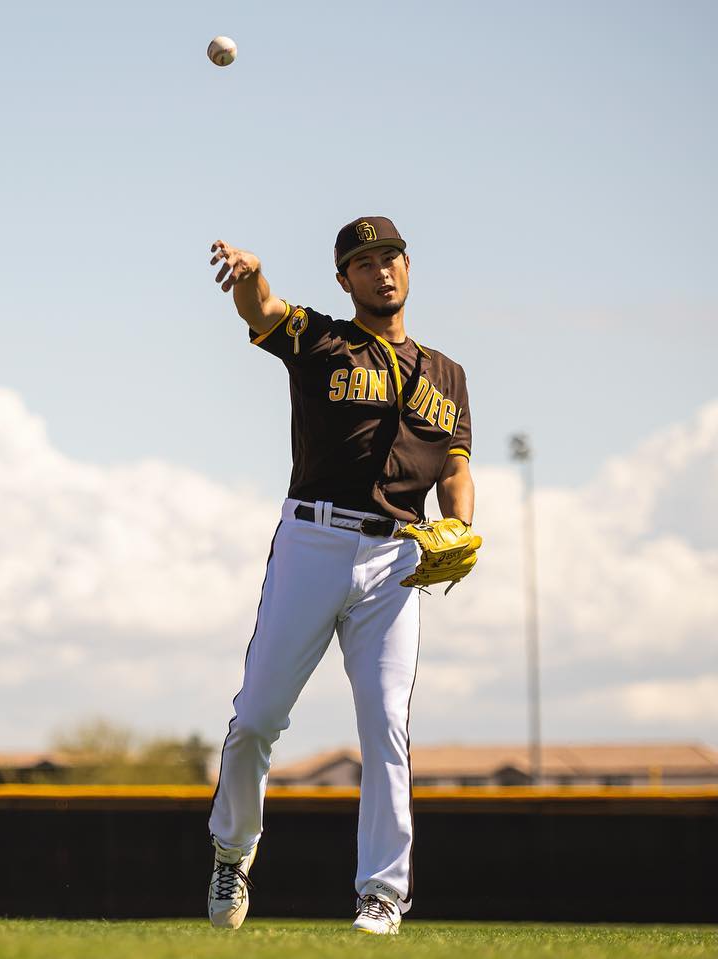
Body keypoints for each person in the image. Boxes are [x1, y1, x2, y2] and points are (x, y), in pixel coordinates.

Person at [204, 217, 477, 935]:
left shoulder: (446, 374)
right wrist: (251, 273)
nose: (380, 270)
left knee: (386, 726)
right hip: (312, 542)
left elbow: (454, 465)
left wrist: (461, 524)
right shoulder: (323, 339)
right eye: (364, 261)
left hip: (397, 559)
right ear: (343, 279)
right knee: (257, 717)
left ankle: (381, 895)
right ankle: (233, 849)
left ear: (408, 268)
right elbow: (262, 312)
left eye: (390, 257)